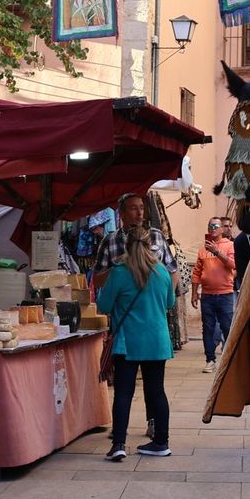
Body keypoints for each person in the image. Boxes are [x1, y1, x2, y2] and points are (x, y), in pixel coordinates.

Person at [97, 194, 175, 461]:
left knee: (124, 393)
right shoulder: (162, 272)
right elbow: (170, 301)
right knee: (157, 391)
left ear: (127, 246)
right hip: (157, 340)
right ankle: (161, 441)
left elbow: (104, 305)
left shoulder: (119, 273)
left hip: (127, 343)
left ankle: (118, 444)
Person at [191, 217, 237, 373]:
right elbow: (196, 272)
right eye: (210, 226)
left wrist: (216, 252)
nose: (212, 228)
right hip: (207, 295)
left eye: (216, 226)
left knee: (227, 327)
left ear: (222, 229)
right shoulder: (203, 249)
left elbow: (233, 265)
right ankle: (210, 360)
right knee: (208, 328)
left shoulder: (229, 245)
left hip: (225, 294)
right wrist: (194, 293)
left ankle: (230, 359)